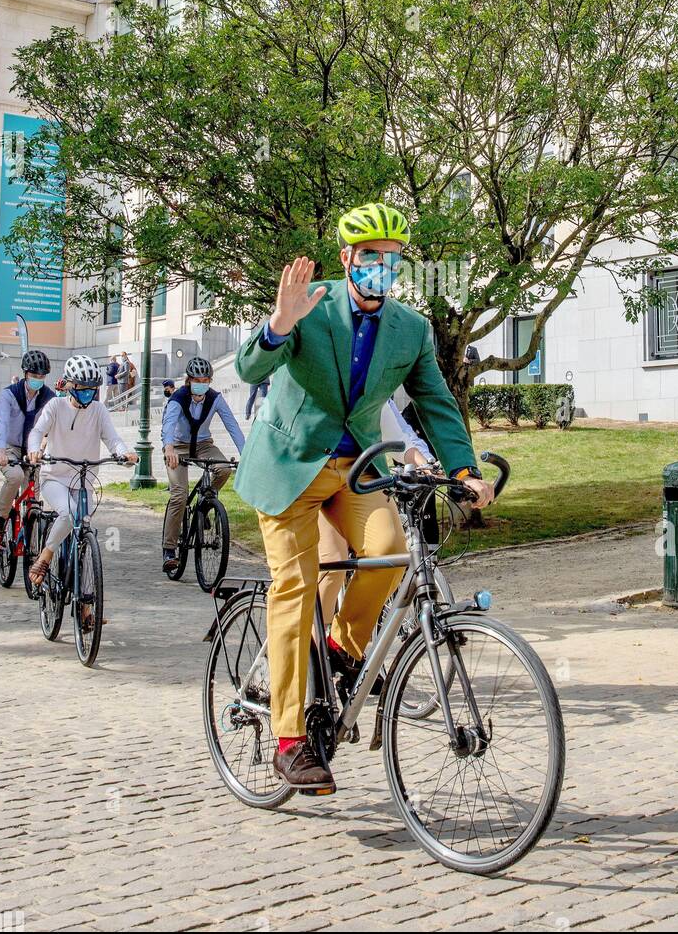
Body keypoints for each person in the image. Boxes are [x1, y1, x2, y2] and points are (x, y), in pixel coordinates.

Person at [234, 201, 495, 792]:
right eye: (371, 254)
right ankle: (289, 740)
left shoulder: (411, 329)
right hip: (291, 469)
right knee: (296, 587)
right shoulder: (311, 304)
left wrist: (464, 470)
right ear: (347, 257)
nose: (382, 265)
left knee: (392, 552)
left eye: (392, 256)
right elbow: (250, 369)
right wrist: (278, 325)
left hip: (356, 471)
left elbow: (436, 403)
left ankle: (342, 650)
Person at [26, 356, 136, 618]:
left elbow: (113, 439)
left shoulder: (98, 410)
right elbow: (36, 432)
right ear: (70, 385)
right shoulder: (55, 406)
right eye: (83, 388)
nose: (88, 393)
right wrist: (34, 450)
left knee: (86, 536)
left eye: (92, 389)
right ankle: (46, 556)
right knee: (69, 514)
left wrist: (124, 453)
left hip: (84, 480)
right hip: (54, 477)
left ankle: (86, 607)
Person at [317, 395, 434, 628]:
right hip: (312, 475)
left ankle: (342, 643)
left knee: (390, 555)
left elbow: (400, 438)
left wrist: (429, 466)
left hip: (357, 480)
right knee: (333, 561)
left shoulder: (374, 389)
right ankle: (308, 643)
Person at [161, 356, 245, 572]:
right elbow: (169, 424)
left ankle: (206, 501)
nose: (201, 383)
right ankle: (169, 549)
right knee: (179, 495)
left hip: (203, 445)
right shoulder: (178, 398)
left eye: (205, 380)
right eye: (197, 380)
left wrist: (245, 454)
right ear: (189, 380)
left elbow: (232, 425)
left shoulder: (215, 398)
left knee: (224, 469)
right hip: (177, 447)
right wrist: (168, 448)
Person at [0, 350, 56, 535]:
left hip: (32, 450)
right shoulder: (10, 394)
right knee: (15, 477)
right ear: (25, 374)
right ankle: (1, 516)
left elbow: (51, 427)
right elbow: (2, 424)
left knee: (33, 491)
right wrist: (0, 451)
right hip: (9, 447)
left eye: (42, 376)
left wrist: (44, 448)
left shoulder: (49, 398)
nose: (38, 379)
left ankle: (31, 538)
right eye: (35, 375)